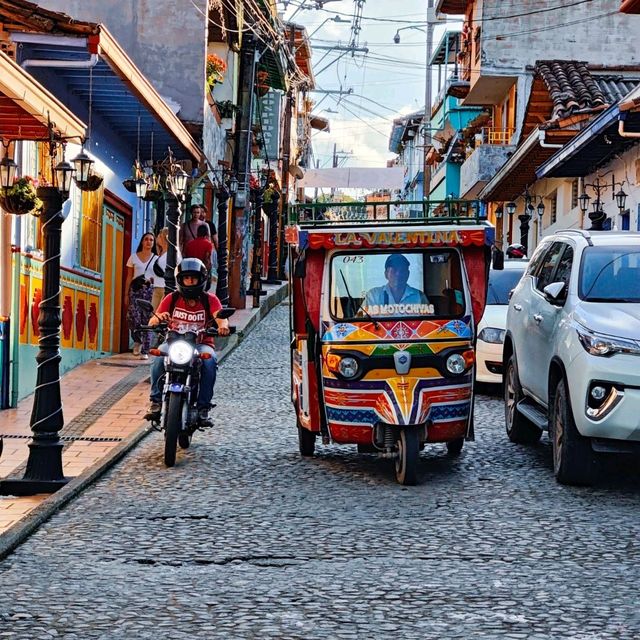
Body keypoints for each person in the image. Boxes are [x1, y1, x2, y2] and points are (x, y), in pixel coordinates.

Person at [146, 258, 230, 427]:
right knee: (158, 358)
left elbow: (221, 318)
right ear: (180, 280)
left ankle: (203, 408)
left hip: (201, 344)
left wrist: (223, 326)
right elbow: (152, 321)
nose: (190, 281)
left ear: (201, 280)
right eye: (186, 278)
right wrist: (159, 319)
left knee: (209, 362)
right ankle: (155, 401)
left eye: (194, 278)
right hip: (174, 343)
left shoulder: (210, 299)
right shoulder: (172, 298)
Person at [124, 232, 156, 359]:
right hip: (135, 290)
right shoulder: (133, 257)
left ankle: (146, 349)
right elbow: (129, 277)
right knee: (133, 317)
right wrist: (126, 294)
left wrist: (152, 281)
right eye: (146, 239)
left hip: (149, 290)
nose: (149, 242)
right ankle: (137, 340)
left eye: (151, 240)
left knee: (147, 319)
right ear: (142, 242)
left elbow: (159, 275)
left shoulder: (156, 259)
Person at [363, 254, 429, 313]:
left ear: (408, 274)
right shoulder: (373, 296)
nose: (398, 274)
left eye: (402, 270)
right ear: (386, 274)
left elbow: (430, 323)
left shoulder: (419, 296)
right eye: (394, 270)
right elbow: (359, 323)